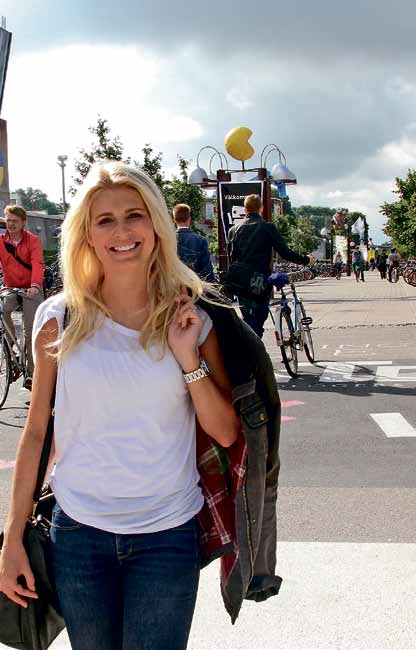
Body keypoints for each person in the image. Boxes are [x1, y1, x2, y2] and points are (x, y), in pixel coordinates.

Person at [0, 162, 243, 650]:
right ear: (86, 233)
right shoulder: (58, 317)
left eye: (134, 215)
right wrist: (10, 542)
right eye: (104, 219)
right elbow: (35, 432)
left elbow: (225, 432)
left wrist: (187, 356)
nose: (122, 231)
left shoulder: (189, 315)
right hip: (78, 536)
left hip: (167, 535)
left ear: (155, 223)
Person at [228, 194, 310, 337]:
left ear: (245, 209)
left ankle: (248, 347)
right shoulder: (267, 228)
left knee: (247, 320)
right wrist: (306, 260)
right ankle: (254, 351)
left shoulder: (233, 230)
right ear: (261, 208)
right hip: (259, 280)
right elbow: (285, 252)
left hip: (240, 282)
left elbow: (232, 257)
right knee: (259, 319)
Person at [0, 205, 45, 388]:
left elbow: (37, 263)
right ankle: (10, 346)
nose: (11, 224)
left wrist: (35, 285)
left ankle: (31, 373)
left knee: (29, 330)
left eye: (15, 221)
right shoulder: (2, 242)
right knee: (3, 311)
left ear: (23, 222)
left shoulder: (32, 240)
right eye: (8, 220)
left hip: (30, 289)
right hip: (11, 287)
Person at [174, 203, 215, 282]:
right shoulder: (201, 240)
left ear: (174, 220)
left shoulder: (166, 240)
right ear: (189, 219)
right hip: (195, 286)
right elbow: (207, 269)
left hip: (173, 287)